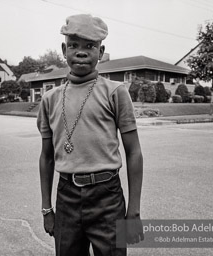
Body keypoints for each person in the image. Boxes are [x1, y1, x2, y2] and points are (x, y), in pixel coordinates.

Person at [37, 13, 144, 256]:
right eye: (74, 45)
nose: (81, 52)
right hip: (67, 198)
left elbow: (134, 151)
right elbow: (46, 157)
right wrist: (47, 209)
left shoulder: (115, 92)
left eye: (90, 46)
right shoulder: (50, 99)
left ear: (101, 50)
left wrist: (134, 211)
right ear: (64, 49)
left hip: (107, 197)